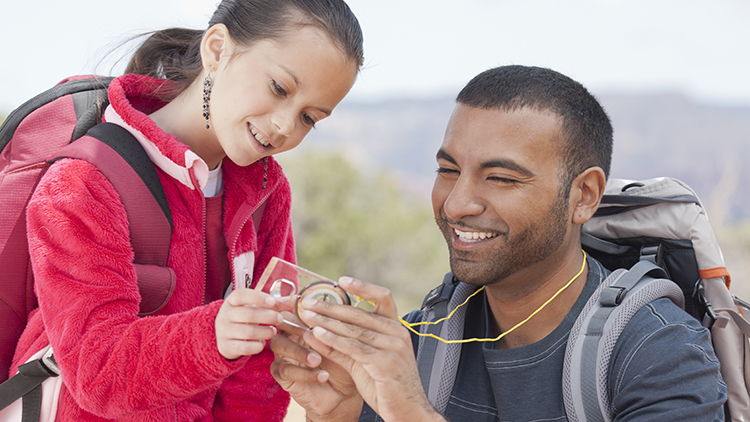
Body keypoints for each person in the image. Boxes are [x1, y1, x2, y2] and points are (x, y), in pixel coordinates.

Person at [269, 65, 727, 421]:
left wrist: (411, 412)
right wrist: (340, 413)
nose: (456, 204)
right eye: (448, 171)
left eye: (501, 178)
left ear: (583, 195)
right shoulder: (418, 346)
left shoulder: (659, 353)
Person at [12, 0, 363, 420]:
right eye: (280, 89)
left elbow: (259, 377)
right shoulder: (86, 180)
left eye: (309, 117)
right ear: (217, 50)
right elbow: (97, 370)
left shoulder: (267, 194)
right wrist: (214, 335)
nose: (286, 125)